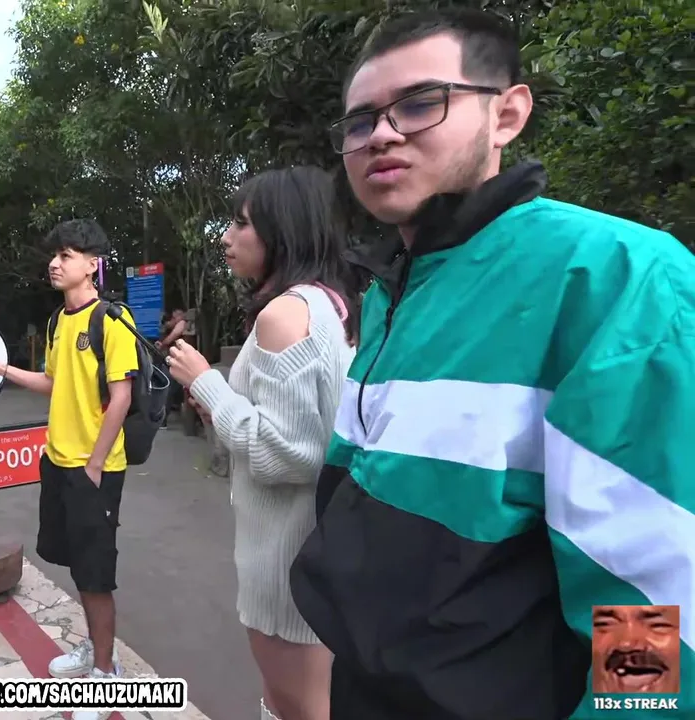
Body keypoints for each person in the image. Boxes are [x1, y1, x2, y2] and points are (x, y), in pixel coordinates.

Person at [286, 8, 695, 720]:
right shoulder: (391, 292)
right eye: (360, 121)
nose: (381, 134)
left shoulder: (615, 278)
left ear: (507, 114)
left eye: (421, 103)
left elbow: (650, 589)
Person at [166, 166, 360, 720]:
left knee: (298, 705)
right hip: (321, 544)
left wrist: (206, 381)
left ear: (283, 230)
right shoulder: (333, 304)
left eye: (241, 223)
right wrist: (223, 402)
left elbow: (287, 454)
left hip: (284, 553)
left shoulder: (283, 314)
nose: (226, 237)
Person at [0, 219, 136, 720]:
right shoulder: (57, 322)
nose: (55, 263)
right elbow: (52, 381)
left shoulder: (111, 320)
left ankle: (106, 675)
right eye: (55, 254)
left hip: (95, 468)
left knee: (96, 574)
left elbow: (122, 397)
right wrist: (2, 368)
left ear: (93, 264)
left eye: (67, 255)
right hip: (58, 461)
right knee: (77, 564)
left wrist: (94, 465)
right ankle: (92, 649)